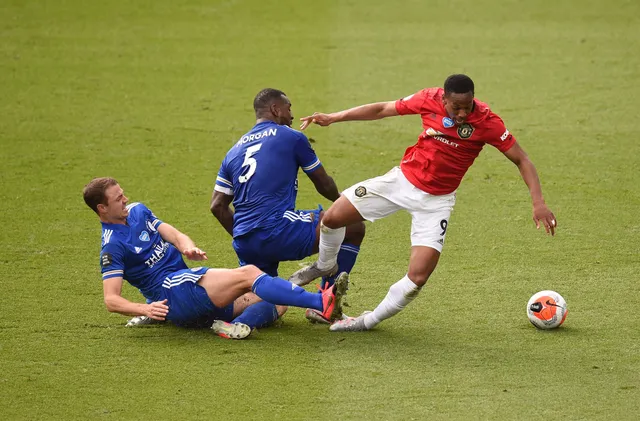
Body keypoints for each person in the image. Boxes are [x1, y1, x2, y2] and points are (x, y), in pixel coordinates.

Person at [290, 74, 557, 332]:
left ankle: (365, 322)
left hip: (436, 203)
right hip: (400, 183)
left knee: (417, 278)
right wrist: (334, 117)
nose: (463, 114)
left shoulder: (488, 122)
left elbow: (522, 159)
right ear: (444, 99)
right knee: (332, 219)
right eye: (456, 107)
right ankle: (325, 265)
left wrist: (538, 203)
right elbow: (383, 109)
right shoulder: (428, 98)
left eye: (468, 106)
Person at [83, 177, 348, 339]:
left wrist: (188, 247)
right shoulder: (112, 247)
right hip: (174, 291)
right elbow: (111, 300)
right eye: (118, 199)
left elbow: (173, 234)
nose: (125, 199)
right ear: (102, 208)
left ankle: (232, 326)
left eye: (123, 194)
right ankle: (321, 302)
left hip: (189, 294)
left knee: (278, 302)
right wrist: (146, 309)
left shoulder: (138, 211)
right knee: (250, 274)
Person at [210, 88, 366, 323]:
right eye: (289, 107)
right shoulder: (290, 136)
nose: (292, 115)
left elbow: (217, 206)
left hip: (244, 241)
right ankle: (324, 303)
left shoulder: (233, 151)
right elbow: (323, 183)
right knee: (352, 224)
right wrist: (344, 204)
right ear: (275, 109)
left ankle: (233, 321)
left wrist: (247, 235)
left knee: (272, 297)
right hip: (278, 229)